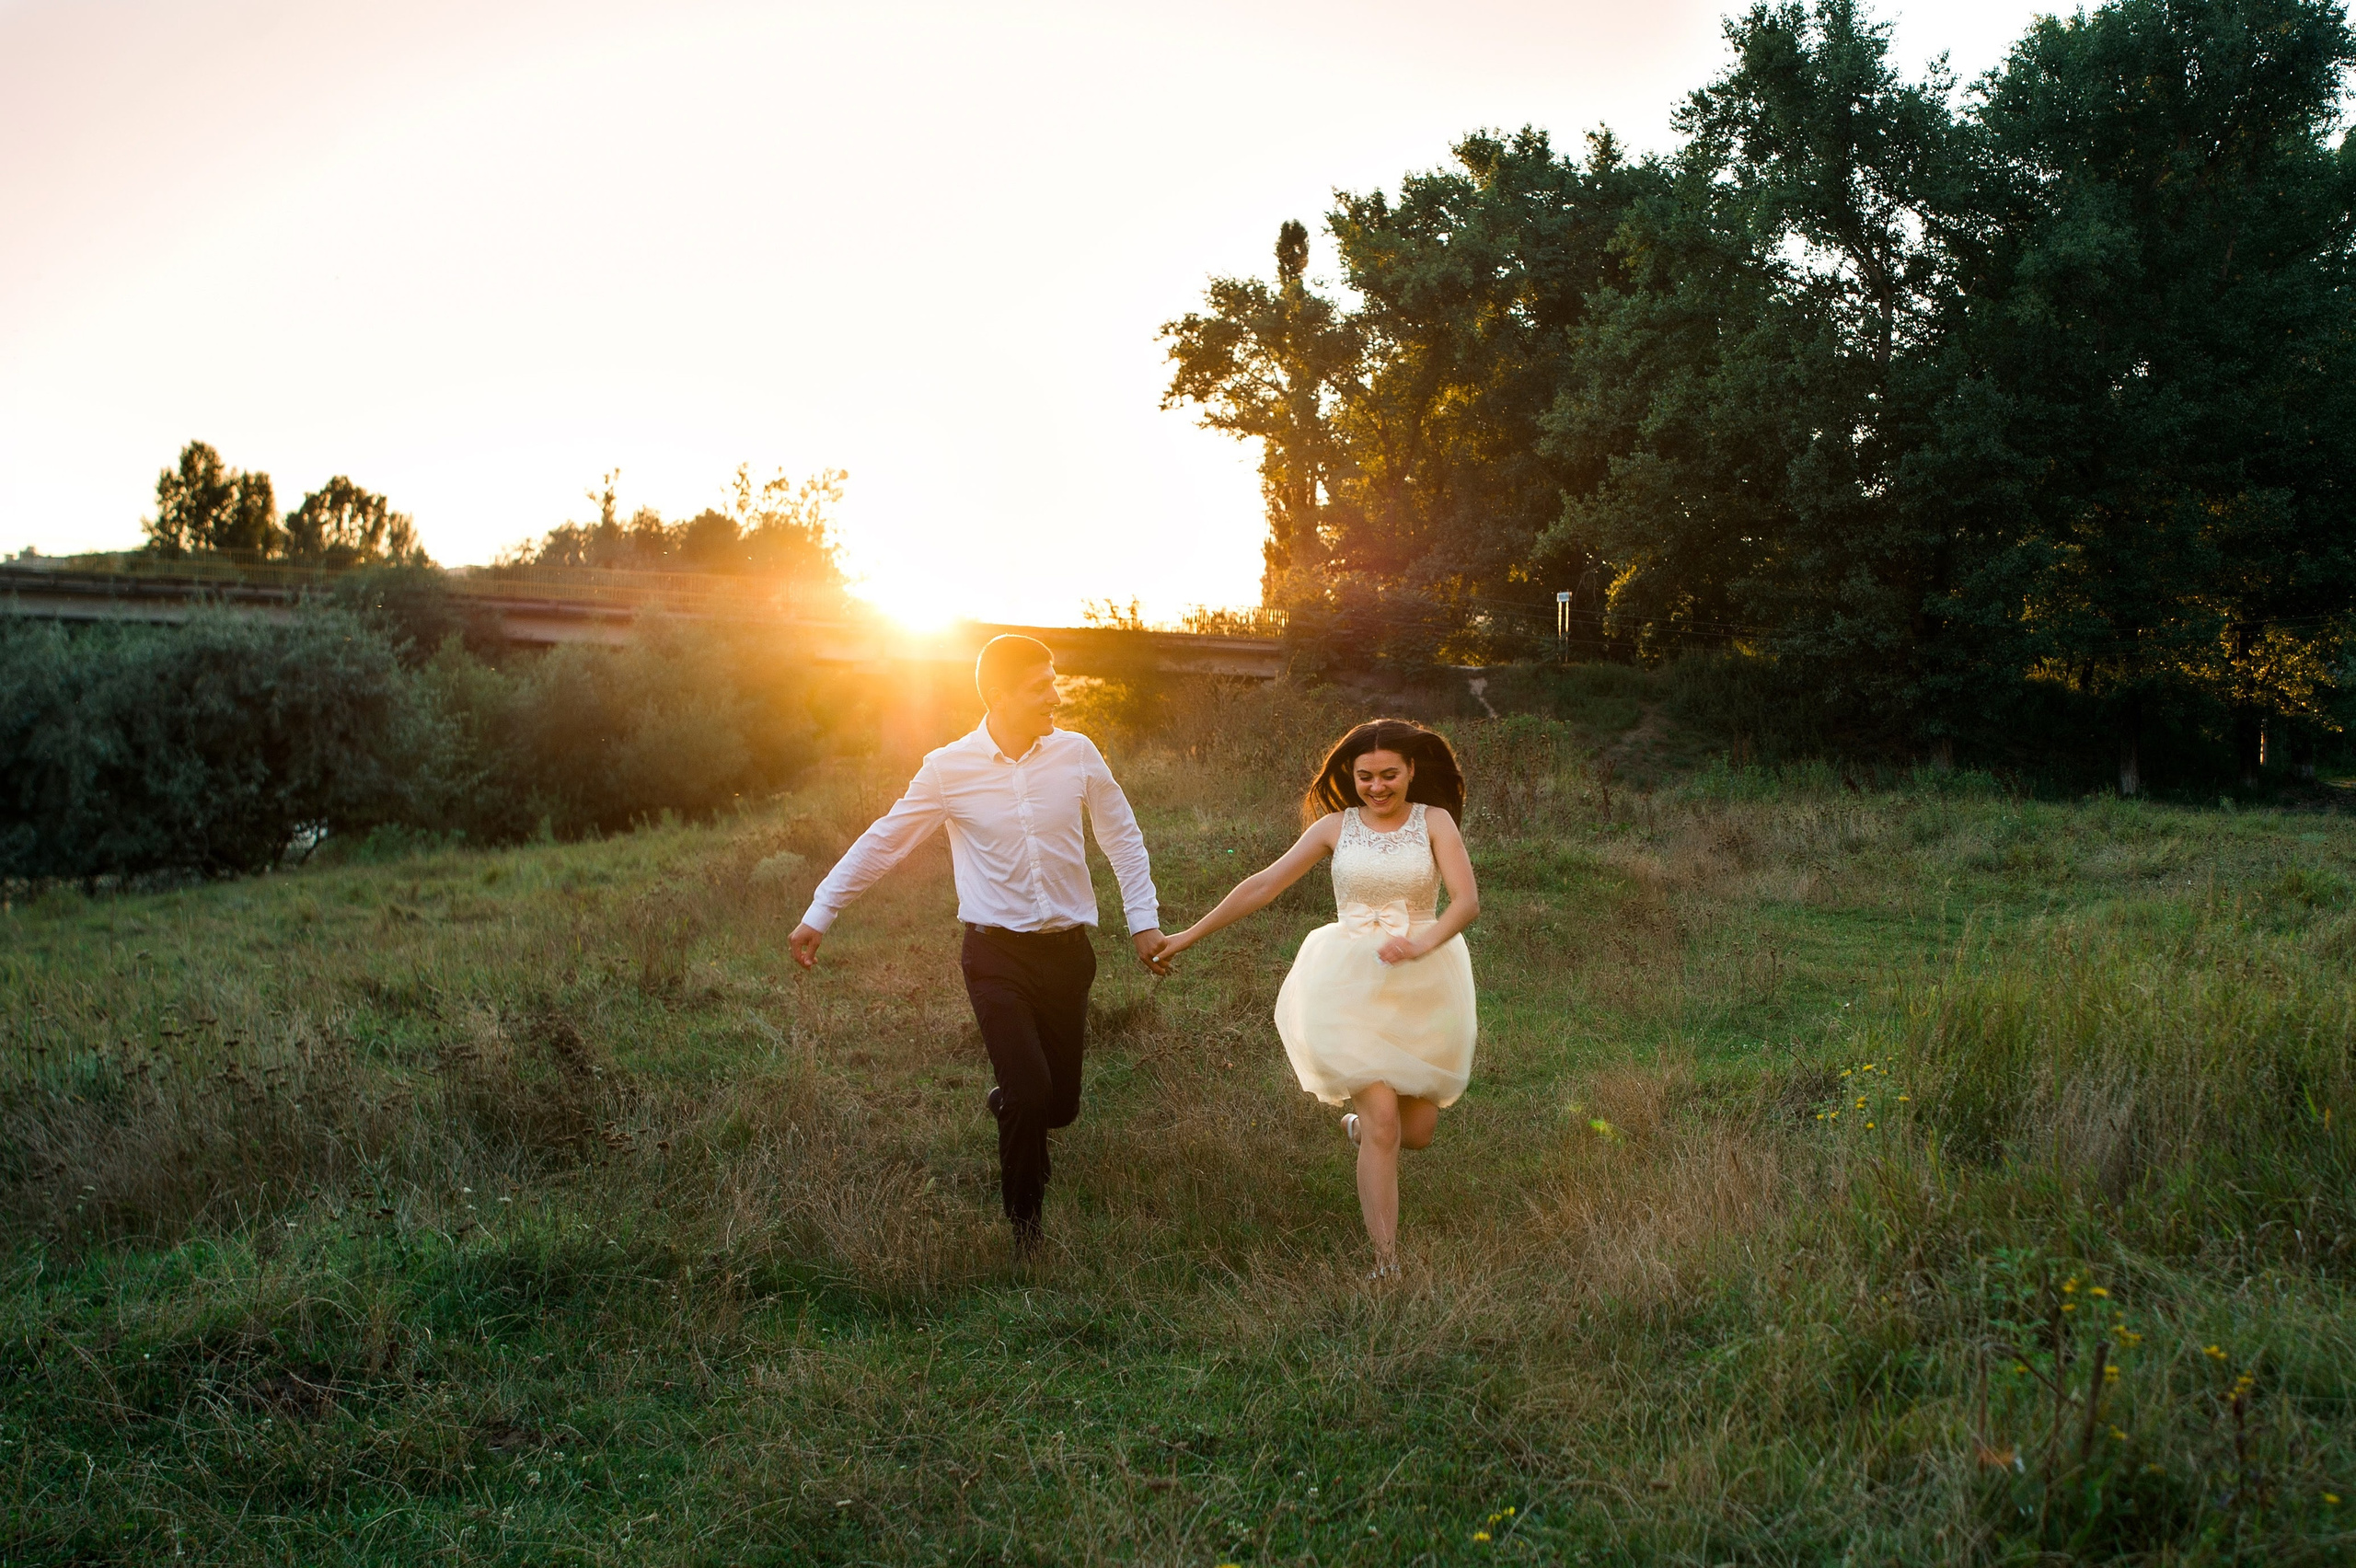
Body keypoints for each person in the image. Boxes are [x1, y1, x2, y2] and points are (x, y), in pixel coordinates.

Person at [788, 635, 1167, 1253]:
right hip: (995, 957)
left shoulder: (1076, 753)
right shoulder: (948, 767)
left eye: (1054, 681)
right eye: (1041, 685)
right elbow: (887, 840)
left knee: (1059, 1105)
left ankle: (1010, 1107)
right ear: (1001, 695)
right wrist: (821, 910)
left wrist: (1142, 919)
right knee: (1030, 1092)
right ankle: (1026, 1235)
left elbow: (1121, 835)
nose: (1056, 694)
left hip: (1067, 953)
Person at [1154, 719, 1478, 1279]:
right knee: (1384, 1123)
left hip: (1425, 976)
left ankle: (1361, 1132)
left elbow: (1466, 902)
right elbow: (1262, 884)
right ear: (1350, 776)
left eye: (1390, 775)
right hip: (1350, 980)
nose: (1377, 787)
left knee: (1416, 1133)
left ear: (1412, 771)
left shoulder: (1434, 821)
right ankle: (1386, 1264)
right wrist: (1185, 936)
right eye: (1365, 777)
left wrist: (1419, 943)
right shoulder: (1334, 828)